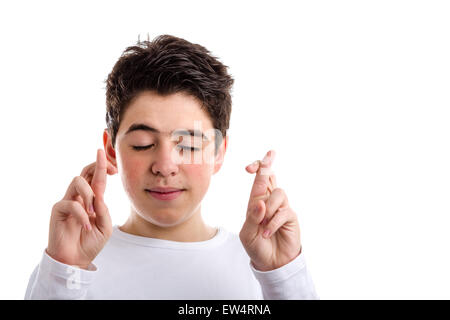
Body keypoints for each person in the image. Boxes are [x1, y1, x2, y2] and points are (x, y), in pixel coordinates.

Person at [25, 34, 318, 299]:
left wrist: (284, 278)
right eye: (142, 143)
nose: (165, 166)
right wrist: (65, 274)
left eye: (188, 146)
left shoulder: (262, 267)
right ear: (112, 150)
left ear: (219, 152)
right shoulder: (70, 267)